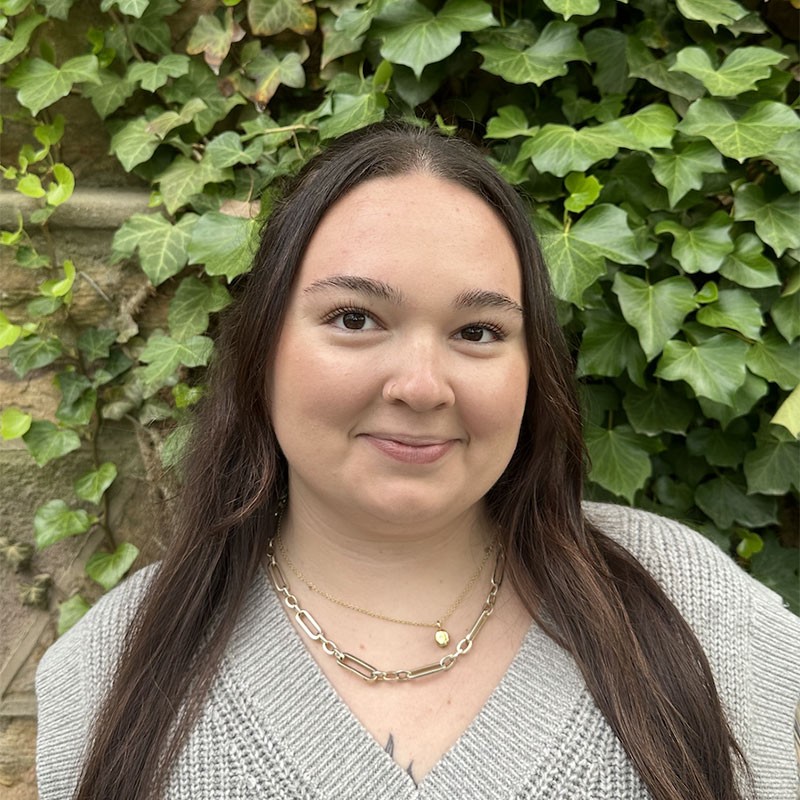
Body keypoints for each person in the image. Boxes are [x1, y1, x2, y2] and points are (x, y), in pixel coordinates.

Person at [36, 122, 799, 800]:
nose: (423, 387)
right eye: (355, 318)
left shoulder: (704, 612)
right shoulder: (106, 671)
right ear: (262, 346)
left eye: (478, 332)